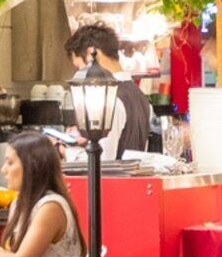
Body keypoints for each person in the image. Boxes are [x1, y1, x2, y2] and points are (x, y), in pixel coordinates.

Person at [68, 24, 162, 158]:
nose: (79, 74)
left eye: (79, 67)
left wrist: (64, 151)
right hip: (132, 178)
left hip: (110, 179)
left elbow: (102, 161)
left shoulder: (109, 98)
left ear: (91, 53)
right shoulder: (139, 95)